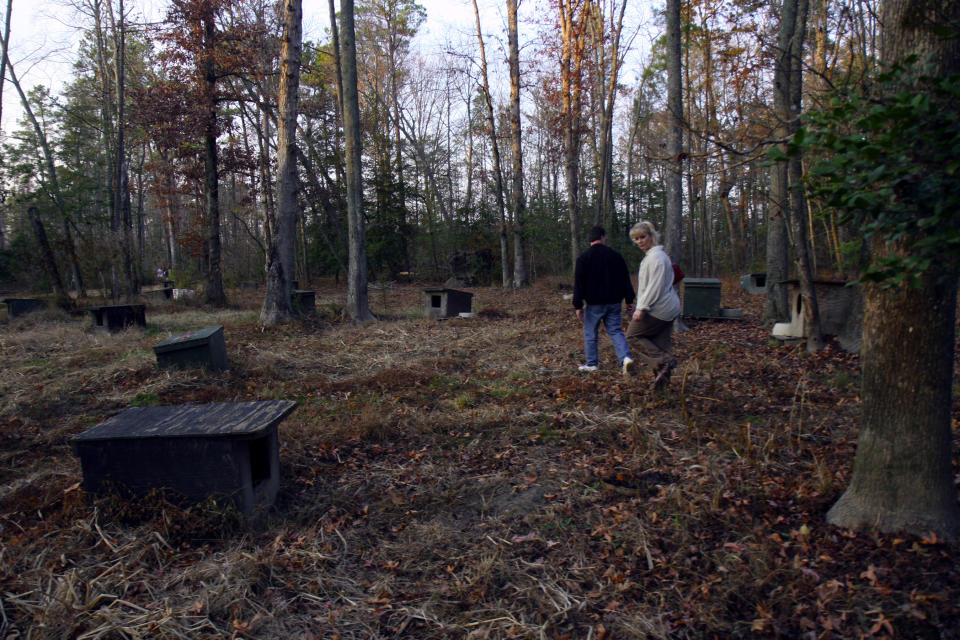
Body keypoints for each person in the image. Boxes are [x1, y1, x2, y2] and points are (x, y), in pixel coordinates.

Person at [572, 225, 636, 376]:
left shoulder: (583, 258)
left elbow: (579, 284)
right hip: (614, 303)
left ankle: (592, 364)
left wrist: (578, 305)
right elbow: (625, 279)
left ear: (590, 240)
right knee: (615, 331)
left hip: (594, 304)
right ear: (602, 237)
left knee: (590, 333)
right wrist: (629, 300)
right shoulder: (616, 256)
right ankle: (625, 359)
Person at [626, 220, 681, 389]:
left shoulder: (656, 258)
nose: (640, 241)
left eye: (643, 237)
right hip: (666, 308)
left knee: (632, 337)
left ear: (651, 236)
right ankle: (662, 387)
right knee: (659, 345)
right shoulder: (654, 256)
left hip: (659, 308)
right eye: (636, 239)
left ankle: (665, 361)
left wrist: (641, 308)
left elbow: (654, 287)